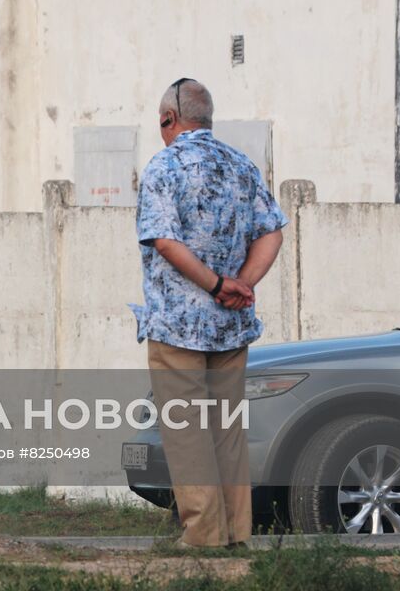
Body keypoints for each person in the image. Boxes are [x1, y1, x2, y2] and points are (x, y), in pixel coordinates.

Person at [131, 78, 286, 548]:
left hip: (178, 325)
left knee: (186, 431)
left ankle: (203, 537)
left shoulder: (164, 166)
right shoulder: (242, 166)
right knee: (227, 434)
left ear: (168, 120)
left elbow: (164, 240)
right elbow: (272, 231)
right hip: (229, 327)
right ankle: (236, 535)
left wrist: (218, 285)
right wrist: (243, 286)